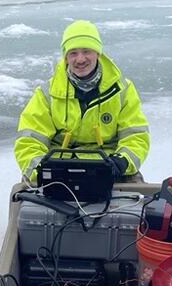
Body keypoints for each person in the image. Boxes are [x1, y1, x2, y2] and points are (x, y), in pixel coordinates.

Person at [14, 20, 150, 181]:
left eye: (87, 51)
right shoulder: (47, 93)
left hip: (108, 168)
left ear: (98, 53)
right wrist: (41, 169)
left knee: (135, 197)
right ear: (65, 57)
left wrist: (121, 162)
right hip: (59, 168)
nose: (80, 59)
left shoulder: (122, 90)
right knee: (24, 195)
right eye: (73, 53)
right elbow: (29, 140)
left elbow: (136, 136)